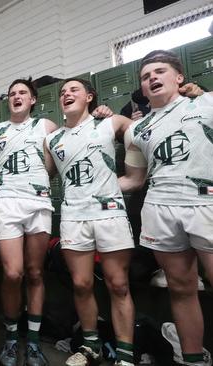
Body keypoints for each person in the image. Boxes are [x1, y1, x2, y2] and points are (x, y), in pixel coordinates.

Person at [119, 50, 213, 366]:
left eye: (159, 72)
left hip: (205, 202)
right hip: (160, 209)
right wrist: (97, 189)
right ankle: (192, 359)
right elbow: (134, 179)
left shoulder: (206, 103)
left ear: (179, 77)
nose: (152, 79)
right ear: (143, 89)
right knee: (181, 289)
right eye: (146, 77)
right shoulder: (137, 130)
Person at [44, 78, 136, 366]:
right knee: (81, 284)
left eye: (74, 90)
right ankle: (90, 346)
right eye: (62, 92)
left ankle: (125, 355)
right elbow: (43, 175)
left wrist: (133, 176)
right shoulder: (53, 140)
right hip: (73, 215)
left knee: (118, 284)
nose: (66, 95)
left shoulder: (110, 122)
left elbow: (144, 134)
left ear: (90, 97)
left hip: (109, 213)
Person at [0, 78, 59, 366]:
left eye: (22, 93)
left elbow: (53, 166)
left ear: (33, 100)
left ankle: (32, 342)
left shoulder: (46, 126)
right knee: (12, 273)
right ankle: (9, 338)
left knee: (34, 272)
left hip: (38, 203)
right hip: (7, 203)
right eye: (12, 94)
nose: (16, 97)